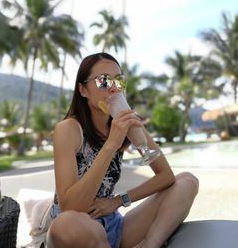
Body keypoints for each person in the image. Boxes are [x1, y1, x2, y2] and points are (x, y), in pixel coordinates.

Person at [46, 53, 199, 248]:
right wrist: (111, 144)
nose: (113, 88)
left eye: (119, 81)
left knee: (187, 181)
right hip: (76, 231)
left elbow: (166, 176)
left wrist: (118, 201)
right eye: (103, 81)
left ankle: (150, 244)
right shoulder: (68, 129)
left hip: (112, 224)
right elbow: (70, 208)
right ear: (83, 90)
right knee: (67, 225)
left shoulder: (125, 121)